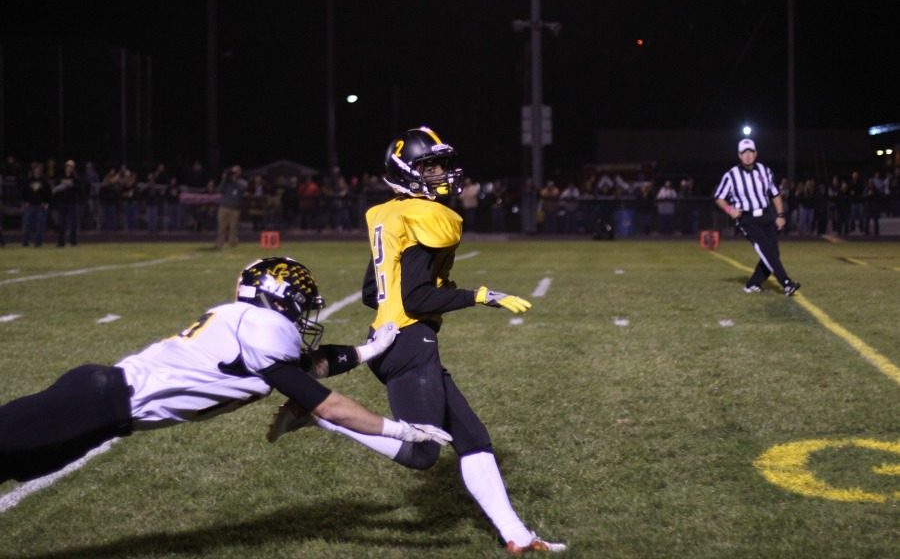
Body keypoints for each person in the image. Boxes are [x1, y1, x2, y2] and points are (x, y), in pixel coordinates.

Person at [268, 127, 566, 555]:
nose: (441, 173)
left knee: (474, 439)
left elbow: (374, 291)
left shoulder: (393, 213)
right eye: (430, 166)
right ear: (405, 171)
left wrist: (421, 292)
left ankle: (517, 538)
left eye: (442, 164)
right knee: (421, 454)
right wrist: (478, 295)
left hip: (396, 337)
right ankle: (318, 414)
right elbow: (416, 296)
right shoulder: (423, 217)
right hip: (409, 343)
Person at [0, 257, 451, 485]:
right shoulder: (262, 326)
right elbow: (329, 406)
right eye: (299, 301)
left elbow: (308, 367)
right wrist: (401, 431)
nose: (303, 314)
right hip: (98, 399)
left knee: (24, 465)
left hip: (110, 412)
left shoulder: (252, 327)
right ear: (277, 296)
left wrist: (369, 349)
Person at [714, 138, 800, 295]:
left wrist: (780, 214)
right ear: (739, 155)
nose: (747, 156)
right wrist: (729, 209)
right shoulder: (731, 175)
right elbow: (719, 197)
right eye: (744, 153)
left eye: (750, 152)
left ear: (756, 154)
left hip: (767, 215)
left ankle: (753, 283)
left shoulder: (764, 170)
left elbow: (775, 194)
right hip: (747, 219)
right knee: (767, 250)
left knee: (773, 252)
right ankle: (786, 283)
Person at [21, 161, 52, 247]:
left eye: (39, 169)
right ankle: (25, 242)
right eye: (36, 169)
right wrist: (25, 201)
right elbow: (24, 192)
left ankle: (38, 243)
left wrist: (47, 203)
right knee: (27, 224)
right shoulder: (28, 180)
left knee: (40, 225)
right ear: (33, 170)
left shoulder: (44, 181)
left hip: (40, 206)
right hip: (30, 206)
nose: (37, 171)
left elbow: (49, 193)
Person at [215, 164, 247, 248]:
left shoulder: (242, 181)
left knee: (233, 228)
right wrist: (224, 179)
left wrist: (234, 180)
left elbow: (243, 188)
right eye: (233, 172)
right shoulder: (226, 182)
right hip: (224, 207)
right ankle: (220, 243)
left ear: (239, 172)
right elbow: (219, 190)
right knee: (221, 227)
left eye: (236, 172)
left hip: (235, 209)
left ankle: (232, 244)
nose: (234, 173)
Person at [52, 159, 82, 246]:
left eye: (71, 167)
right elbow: (55, 189)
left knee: (73, 224)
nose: (69, 168)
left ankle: (73, 242)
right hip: (62, 203)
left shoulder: (76, 177)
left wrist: (72, 185)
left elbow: (80, 190)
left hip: (72, 203)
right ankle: (61, 242)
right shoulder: (60, 176)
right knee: (61, 224)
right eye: (68, 166)